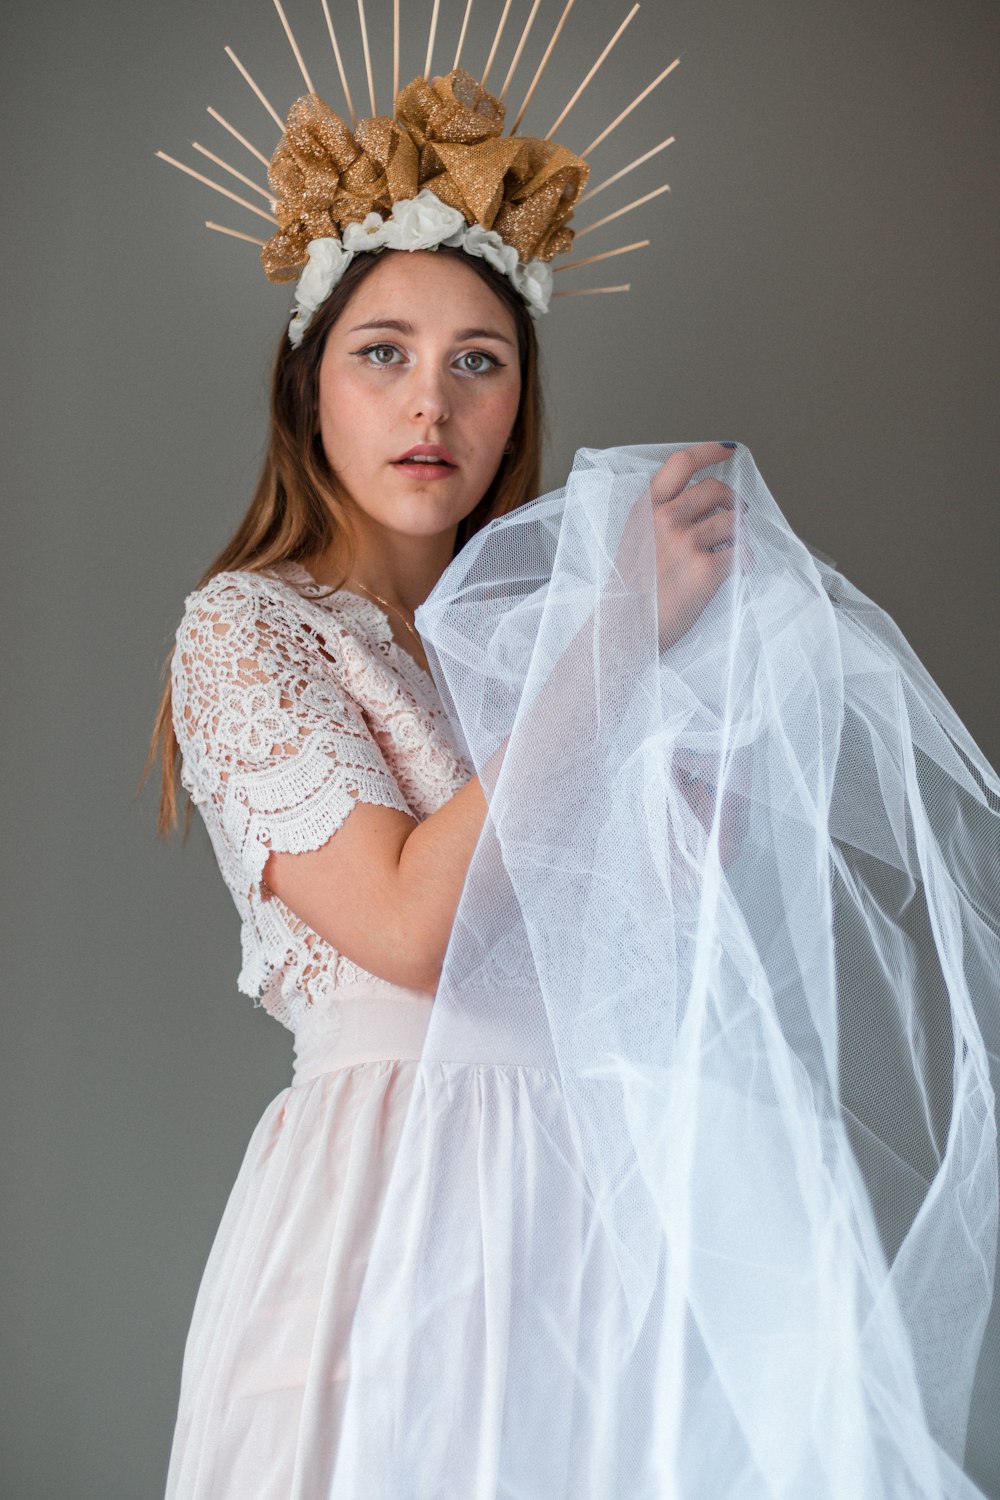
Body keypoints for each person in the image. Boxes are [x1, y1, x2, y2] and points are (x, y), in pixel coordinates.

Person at [149, 47, 1000, 1500]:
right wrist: (617, 640)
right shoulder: (248, 630)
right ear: (308, 387)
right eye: (385, 352)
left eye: (479, 360)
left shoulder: (558, 652)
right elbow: (417, 930)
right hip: (392, 1217)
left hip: (611, 1216)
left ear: (521, 395)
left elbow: (658, 963)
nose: (434, 403)